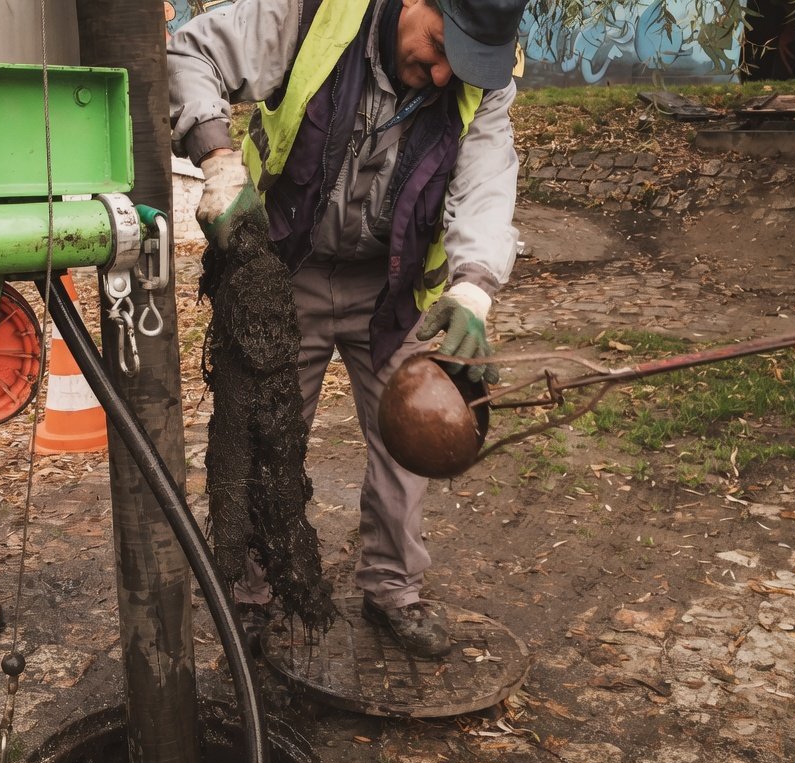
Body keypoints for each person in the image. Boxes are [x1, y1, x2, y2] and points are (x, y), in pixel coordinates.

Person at [168, 0, 528, 658]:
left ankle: (392, 588)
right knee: (263, 434)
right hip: (285, 266)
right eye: (441, 46)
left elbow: (487, 185)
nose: (447, 75)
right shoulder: (311, 13)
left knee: (412, 432)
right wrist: (218, 165)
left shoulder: (480, 82)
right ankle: (253, 590)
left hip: (390, 289)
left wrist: (473, 290)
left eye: (466, 63)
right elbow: (189, 53)